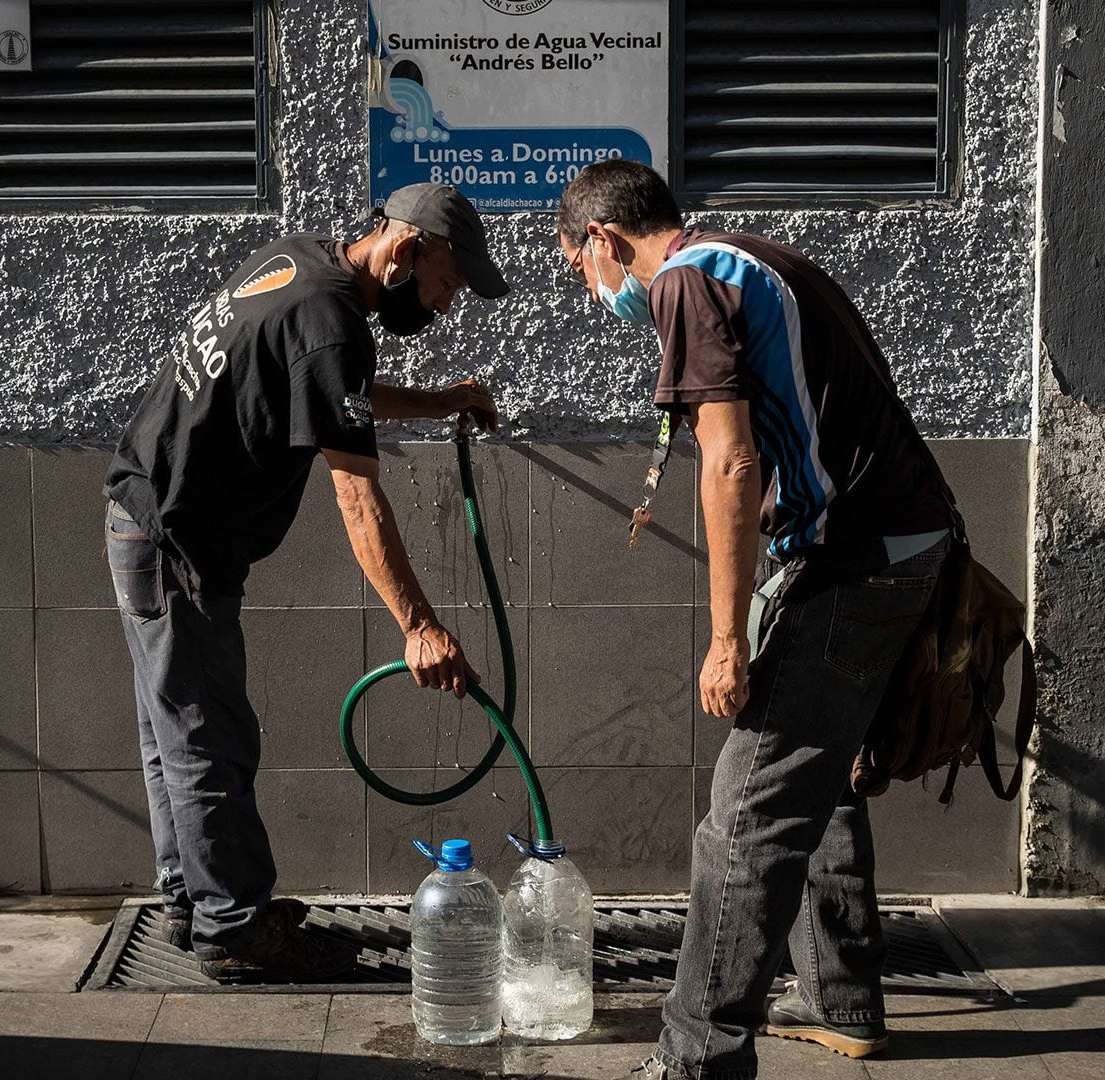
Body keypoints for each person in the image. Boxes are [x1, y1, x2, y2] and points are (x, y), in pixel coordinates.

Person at [554, 161, 958, 1077]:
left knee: (745, 815)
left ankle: (698, 1059)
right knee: (823, 770)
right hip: (895, 540)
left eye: (580, 268)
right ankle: (841, 998)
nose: (591, 290)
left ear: (605, 242)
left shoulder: (685, 281)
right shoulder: (748, 256)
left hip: (857, 557)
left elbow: (730, 462)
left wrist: (728, 638)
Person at [104, 184, 508, 981]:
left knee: (172, 734)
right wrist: (420, 626)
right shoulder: (332, 326)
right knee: (206, 739)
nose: (445, 305)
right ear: (405, 250)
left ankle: (195, 903)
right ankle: (234, 931)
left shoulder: (301, 262)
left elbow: (329, 397)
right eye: (445, 284)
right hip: (180, 539)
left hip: (144, 516)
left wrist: (439, 402)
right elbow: (358, 496)